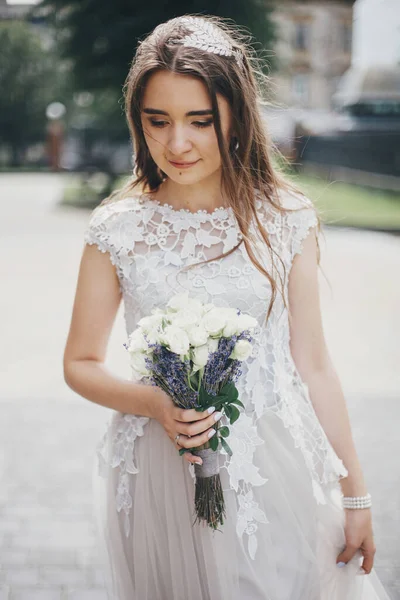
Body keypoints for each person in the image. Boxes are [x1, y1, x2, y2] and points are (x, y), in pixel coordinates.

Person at [63, 15, 391, 600]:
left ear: (235, 115)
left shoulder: (286, 220)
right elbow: (81, 362)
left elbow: (313, 364)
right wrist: (155, 402)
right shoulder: (117, 228)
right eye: (157, 121)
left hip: (274, 463)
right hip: (158, 470)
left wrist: (356, 495)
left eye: (200, 121)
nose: (176, 143)